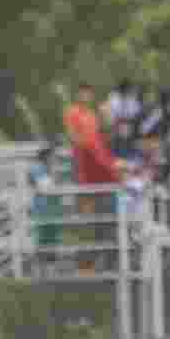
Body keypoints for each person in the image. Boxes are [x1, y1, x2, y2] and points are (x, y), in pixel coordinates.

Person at [62, 82, 126, 271]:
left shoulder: (92, 116)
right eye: (83, 93)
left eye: (89, 94)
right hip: (83, 163)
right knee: (89, 215)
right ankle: (86, 260)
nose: (86, 97)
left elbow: (100, 139)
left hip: (97, 166)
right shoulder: (73, 112)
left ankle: (102, 260)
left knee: (105, 216)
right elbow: (75, 137)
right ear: (78, 94)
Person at [28, 144, 63, 271]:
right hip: (42, 210)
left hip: (52, 210)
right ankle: (39, 268)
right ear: (46, 157)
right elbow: (44, 187)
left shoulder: (51, 170)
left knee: (52, 239)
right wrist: (53, 173)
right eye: (53, 157)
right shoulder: (37, 169)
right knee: (42, 239)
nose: (55, 159)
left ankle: (50, 268)